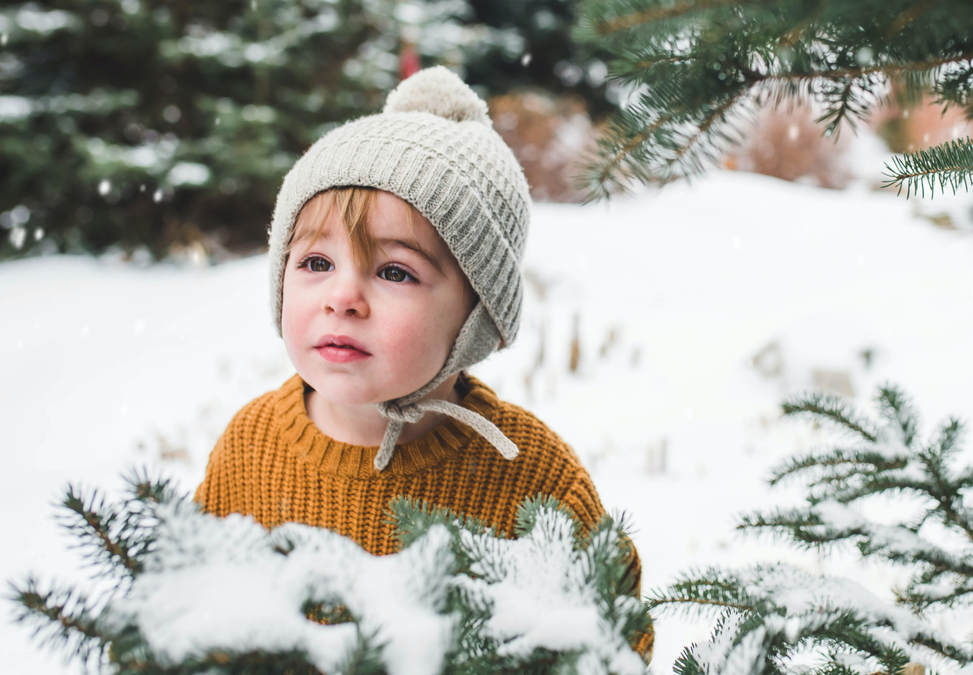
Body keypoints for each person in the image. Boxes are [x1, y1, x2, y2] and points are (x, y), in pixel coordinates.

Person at [192, 65, 653, 661]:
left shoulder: (531, 477)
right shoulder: (251, 450)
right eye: (315, 263)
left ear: (475, 316)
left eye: (393, 272)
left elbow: (614, 639)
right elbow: (190, 614)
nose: (342, 298)